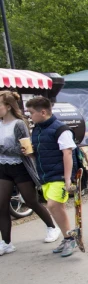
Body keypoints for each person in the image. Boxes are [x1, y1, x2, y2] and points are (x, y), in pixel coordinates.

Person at [0, 91, 60, 255]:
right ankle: (6, 243)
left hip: (20, 167)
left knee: (31, 201)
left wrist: (4, 149)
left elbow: (24, 149)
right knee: (1, 205)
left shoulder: (19, 124)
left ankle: (52, 227)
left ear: (8, 106)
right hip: (3, 167)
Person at [25, 97, 78, 257]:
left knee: (53, 205)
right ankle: (67, 236)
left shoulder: (61, 129)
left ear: (43, 112)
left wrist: (68, 179)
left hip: (59, 175)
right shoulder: (38, 129)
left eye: (31, 113)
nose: (30, 116)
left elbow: (67, 153)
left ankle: (70, 238)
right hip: (45, 174)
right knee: (57, 208)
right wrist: (30, 153)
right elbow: (43, 152)